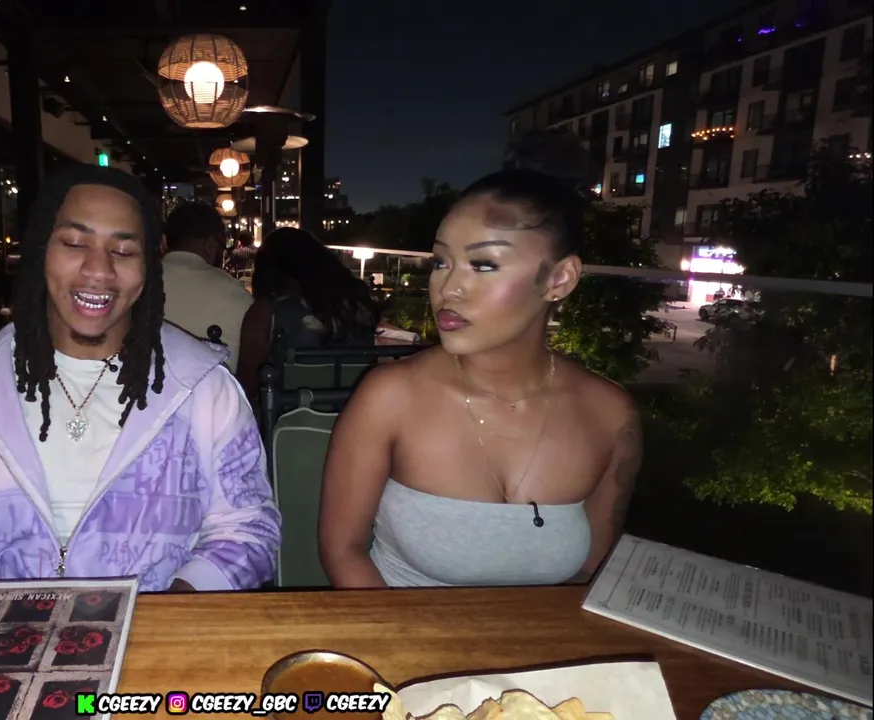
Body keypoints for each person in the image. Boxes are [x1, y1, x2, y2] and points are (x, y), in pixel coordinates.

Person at [0, 164, 280, 596]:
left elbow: (247, 530)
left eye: (124, 251)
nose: (99, 270)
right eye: (74, 243)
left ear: (149, 266)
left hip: (155, 631)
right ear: (41, 250)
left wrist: (167, 613)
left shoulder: (206, 390)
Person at [317, 165, 642, 588]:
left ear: (559, 279)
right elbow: (342, 551)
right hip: (402, 624)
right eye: (441, 262)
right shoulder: (391, 396)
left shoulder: (610, 416)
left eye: (483, 265)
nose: (447, 288)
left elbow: (592, 572)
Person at [235, 227, 379, 401]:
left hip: (289, 415)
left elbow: (245, 389)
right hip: (357, 410)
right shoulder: (359, 308)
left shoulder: (266, 312)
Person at [160, 201, 254, 369]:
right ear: (210, 246)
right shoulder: (239, 297)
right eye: (223, 247)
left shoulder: (135, 285)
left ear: (165, 242)